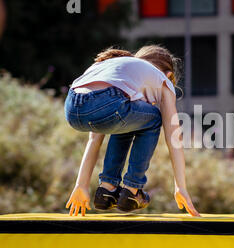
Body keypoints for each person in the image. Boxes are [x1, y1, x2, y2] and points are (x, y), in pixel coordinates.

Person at [64, 45, 200, 217]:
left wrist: (81, 185)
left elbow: (94, 141)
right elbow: (174, 138)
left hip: (71, 107)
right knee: (154, 118)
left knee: (130, 119)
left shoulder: (117, 69)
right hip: (108, 103)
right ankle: (132, 190)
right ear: (169, 76)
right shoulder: (162, 79)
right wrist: (180, 186)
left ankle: (107, 189)